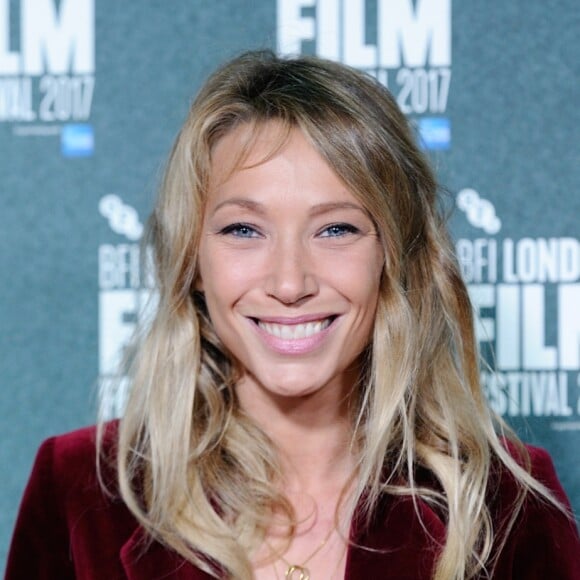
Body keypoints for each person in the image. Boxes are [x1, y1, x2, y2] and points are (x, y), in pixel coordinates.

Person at [6, 51, 580, 580]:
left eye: (336, 229)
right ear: (194, 261)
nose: (289, 283)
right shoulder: (78, 487)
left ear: (394, 258)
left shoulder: (507, 501)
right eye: (243, 230)